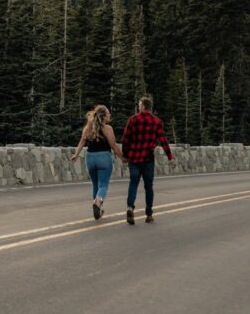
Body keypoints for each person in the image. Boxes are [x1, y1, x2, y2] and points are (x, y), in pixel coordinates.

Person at [121, 96, 174, 225]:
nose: (138, 107)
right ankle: (149, 214)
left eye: (139, 105)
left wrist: (125, 155)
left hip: (134, 158)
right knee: (148, 186)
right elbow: (163, 140)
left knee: (133, 183)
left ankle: (130, 207)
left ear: (143, 106)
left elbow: (125, 139)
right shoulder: (156, 122)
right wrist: (170, 156)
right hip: (148, 159)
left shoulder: (133, 120)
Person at [72, 104, 123, 220]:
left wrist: (76, 154)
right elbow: (114, 146)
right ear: (103, 116)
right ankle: (98, 203)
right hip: (104, 158)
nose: (110, 115)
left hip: (90, 158)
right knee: (103, 184)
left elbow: (81, 142)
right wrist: (122, 158)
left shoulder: (88, 128)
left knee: (95, 184)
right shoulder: (107, 128)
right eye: (108, 113)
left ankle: (98, 209)